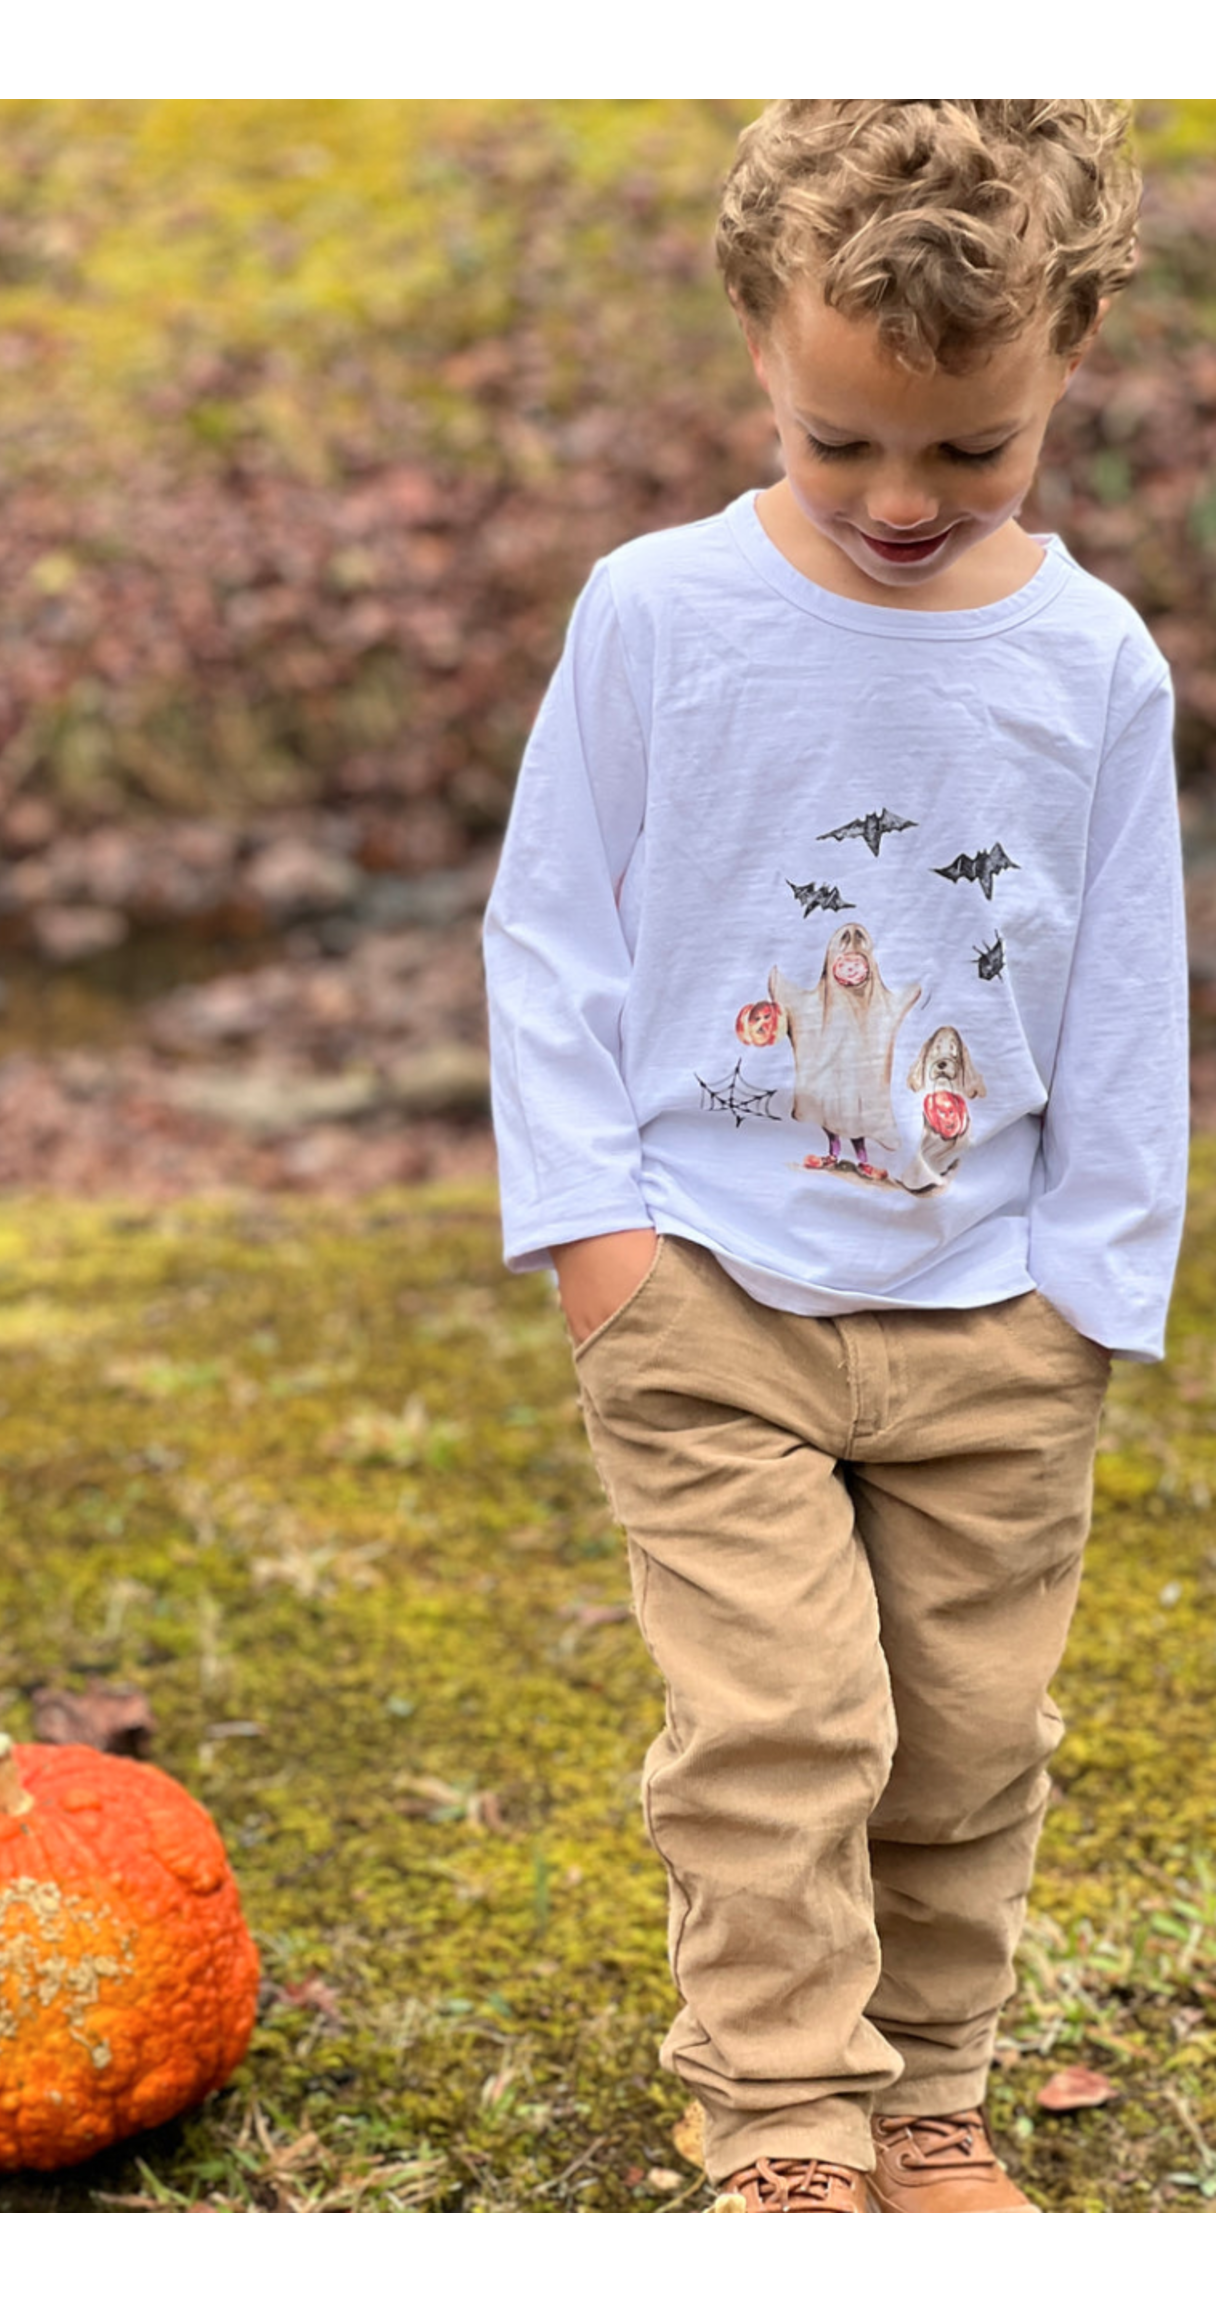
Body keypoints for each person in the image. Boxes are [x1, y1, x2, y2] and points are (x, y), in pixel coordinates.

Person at [483, 99, 1188, 2216]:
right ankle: (784, 2110)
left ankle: (926, 2093)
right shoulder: (655, 614)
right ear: (757, 353)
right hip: (706, 1288)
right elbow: (551, 927)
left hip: (993, 1314)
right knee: (784, 1721)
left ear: (1066, 353)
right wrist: (598, 1236)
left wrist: (1087, 1286)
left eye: (967, 453)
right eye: (838, 442)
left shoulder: (1088, 662)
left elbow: (1127, 991)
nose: (900, 499)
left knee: (970, 1737)